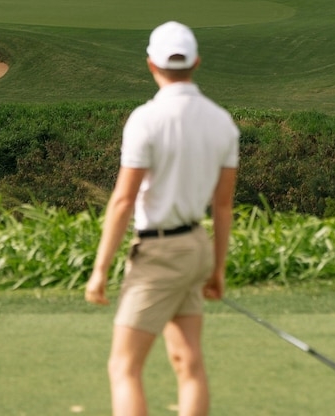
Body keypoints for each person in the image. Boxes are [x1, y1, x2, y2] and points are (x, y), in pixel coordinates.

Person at [85, 21, 239, 416]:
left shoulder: (146, 119)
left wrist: (99, 269)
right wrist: (217, 268)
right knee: (187, 361)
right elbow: (222, 207)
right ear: (197, 63)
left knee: (124, 367)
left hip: (160, 254)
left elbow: (123, 200)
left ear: (151, 64)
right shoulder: (222, 122)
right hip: (195, 249)